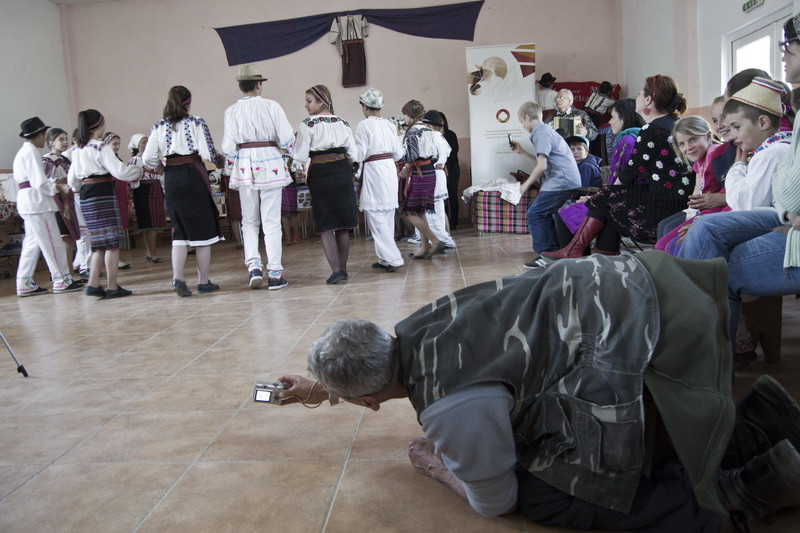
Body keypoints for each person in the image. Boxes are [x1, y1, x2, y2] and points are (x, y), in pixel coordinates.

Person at [277, 252, 800, 531]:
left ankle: (730, 497)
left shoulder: (449, 406)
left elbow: (496, 503)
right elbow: (378, 364)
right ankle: (757, 425)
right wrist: (319, 390)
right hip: (655, 289)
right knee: (547, 431)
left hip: (645, 347)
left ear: (368, 403)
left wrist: (440, 469)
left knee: (545, 494)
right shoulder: (420, 325)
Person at [677, 14, 800, 352]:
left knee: (712, 264)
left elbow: (774, 196)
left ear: (763, 121)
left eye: (788, 50)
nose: (783, 58)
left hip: (787, 222)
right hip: (784, 216)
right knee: (699, 232)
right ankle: (691, 337)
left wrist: (741, 165)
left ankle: (698, 351)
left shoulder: (772, 149)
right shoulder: (779, 137)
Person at [542, 75, 691, 261]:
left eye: (639, 93)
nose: (637, 97)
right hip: (679, 200)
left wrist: (601, 194)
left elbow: (630, 173)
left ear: (648, 100)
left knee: (606, 200)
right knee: (608, 207)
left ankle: (576, 253)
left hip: (663, 205)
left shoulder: (651, 131)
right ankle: (589, 257)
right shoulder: (676, 124)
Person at [142, 85, 224, 297]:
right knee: (202, 232)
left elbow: (147, 159)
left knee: (179, 231)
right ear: (188, 102)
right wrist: (221, 159)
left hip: (172, 177)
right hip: (192, 175)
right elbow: (208, 153)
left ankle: (177, 278)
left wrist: (161, 168)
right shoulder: (196, 122)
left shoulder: (158, 126)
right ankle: (203, 281)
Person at [221, 64, 294, 290]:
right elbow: (288, 138)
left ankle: (253, 267)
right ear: (259, 84)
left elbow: (227, 147)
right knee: (271, 221)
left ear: (240, 86)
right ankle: (274, 274)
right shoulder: (272, 106)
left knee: (249, 221)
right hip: (270, 162)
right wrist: (287, 154)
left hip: (245, 164)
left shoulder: (231, 111)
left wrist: (233, 164)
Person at [67, 110, 142, 298]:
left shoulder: (77, 149)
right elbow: (121, 172)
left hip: (86, 195)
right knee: (111, 242)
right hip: (102, 194)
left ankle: (93, 283)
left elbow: (72, 181)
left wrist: (81, 187)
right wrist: (139, 170)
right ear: (98, 126)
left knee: (99, 242)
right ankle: (112, 286)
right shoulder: (101, 148)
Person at [292, 84, 358, 284]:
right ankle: (344, 269)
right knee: (343, 225)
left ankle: (336, 270)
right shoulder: (343, 123)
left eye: (309, 101)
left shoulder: (308, 124)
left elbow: (300, 156)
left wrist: (298, 170)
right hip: (342, 173)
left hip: (321, 175)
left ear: (321, 102)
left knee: (326, 224)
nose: (306, 105)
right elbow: (354, 155)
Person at [557, 98, 644, 241]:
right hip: (623, 199)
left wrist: (593, 198)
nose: (609, 122)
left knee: (563, 213)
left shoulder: (627, 141)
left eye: (613, 117)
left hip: (625, 204)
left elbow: (620, 183)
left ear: (624, 118)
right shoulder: (635, 137)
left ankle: (572, 259)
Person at [13, 117, 83, 296]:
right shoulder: (32, 152)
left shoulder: (25, 151)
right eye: (44, 135)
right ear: (40, 134)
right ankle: (61, 280)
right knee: (53, 242)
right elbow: (39, 182)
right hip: (37, 204)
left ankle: (24, 282)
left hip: (29, 202)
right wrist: (58, 186)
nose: (44, 139)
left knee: (32, 243)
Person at [511, 101, 581, 267]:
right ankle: (553, 253)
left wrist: (525, 185)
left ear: (527, 117)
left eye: (522, 122)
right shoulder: (545, 131)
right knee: (544, 214)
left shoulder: (540, 133)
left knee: (534, 214)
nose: (523, 126)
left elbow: (541, 166)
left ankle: (547, 255)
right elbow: (542, 162)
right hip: (566, 180)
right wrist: (521, 152)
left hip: (561, 181)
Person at [654, 116, 723, 255]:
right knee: (663, 225)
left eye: (693, 140)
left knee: (665, 240)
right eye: (682, 144)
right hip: (702, 208)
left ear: (708, 136)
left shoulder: (714, 153)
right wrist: (690, 212)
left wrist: (695, 218)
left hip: (714, 209)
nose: (688, 147)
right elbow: (698, 190)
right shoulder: (698, 160)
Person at [353, 87, 405, 272]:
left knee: (376, 216)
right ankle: (384, 258)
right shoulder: (390, 125)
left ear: (365, 107)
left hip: (374, 170)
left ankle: (393, 258)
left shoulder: (364, 125)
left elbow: (360, 152)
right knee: (388, 214)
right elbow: (399, 153)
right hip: (389, 168)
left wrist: (351, 158)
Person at [398, 100, 446, 259]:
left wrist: (400, 156)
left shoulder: (412, 132)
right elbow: (436, 156)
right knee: (420, 211)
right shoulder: (429, 130)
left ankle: (435, 241)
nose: (404, 118)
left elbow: (411, 156)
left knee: (409, 212)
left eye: (405, 114)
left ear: (410, 115)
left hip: (420, 174)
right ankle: (424, 248)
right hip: (429, 172)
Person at [42, 127, 83, 282]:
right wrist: (58, 184)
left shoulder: (66, 160)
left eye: (66, 138)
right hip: (56, 201)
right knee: (64, 237)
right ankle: (65, 273)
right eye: (61, 139)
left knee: (69, 237)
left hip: (68, 199)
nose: (65, 142)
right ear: (51, 142)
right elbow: (45, 181)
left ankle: (69, 271)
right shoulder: (47, 160)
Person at [128, 133, 166, 264]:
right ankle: (152, 253)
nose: (145, 145)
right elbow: (134, 176)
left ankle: (150, 252)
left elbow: (161, 171)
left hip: (155, 188)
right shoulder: (135, 160)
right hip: (143, 190)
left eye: (147, 142)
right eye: (142, 142)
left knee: (155, 224)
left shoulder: (153, 158)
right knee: (149, 224)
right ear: (136, 145)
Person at [422, 110, 456, 249]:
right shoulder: (442, 137)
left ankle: (438, 239)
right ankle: (442, 237)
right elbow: (447, 153)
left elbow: (425, 155)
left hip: (432, 173)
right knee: (439, 209)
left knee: (431, 209)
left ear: (429, 126)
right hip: (440, 173)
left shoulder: (430, 137)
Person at [439, 112, 461, 230]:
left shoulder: (450, 134)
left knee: (452, 195)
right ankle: (445, 221)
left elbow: (454, 151)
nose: (440, 122)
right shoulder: (434, 135)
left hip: (452, 168)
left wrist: (445, 162)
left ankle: (454, 222)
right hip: (439, 170)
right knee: (442, 197)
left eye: (441, 120)